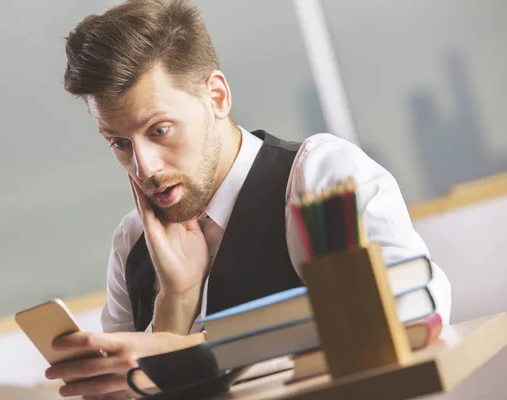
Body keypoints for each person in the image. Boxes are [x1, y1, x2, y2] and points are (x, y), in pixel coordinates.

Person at [45, 0, 452, 398]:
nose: (144, 168)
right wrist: (175, 300)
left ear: (217, 97)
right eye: (119, 143)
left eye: (159, 130)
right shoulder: (132, 243)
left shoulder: (316, 176)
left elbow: (417, 305)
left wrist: (189, 355)